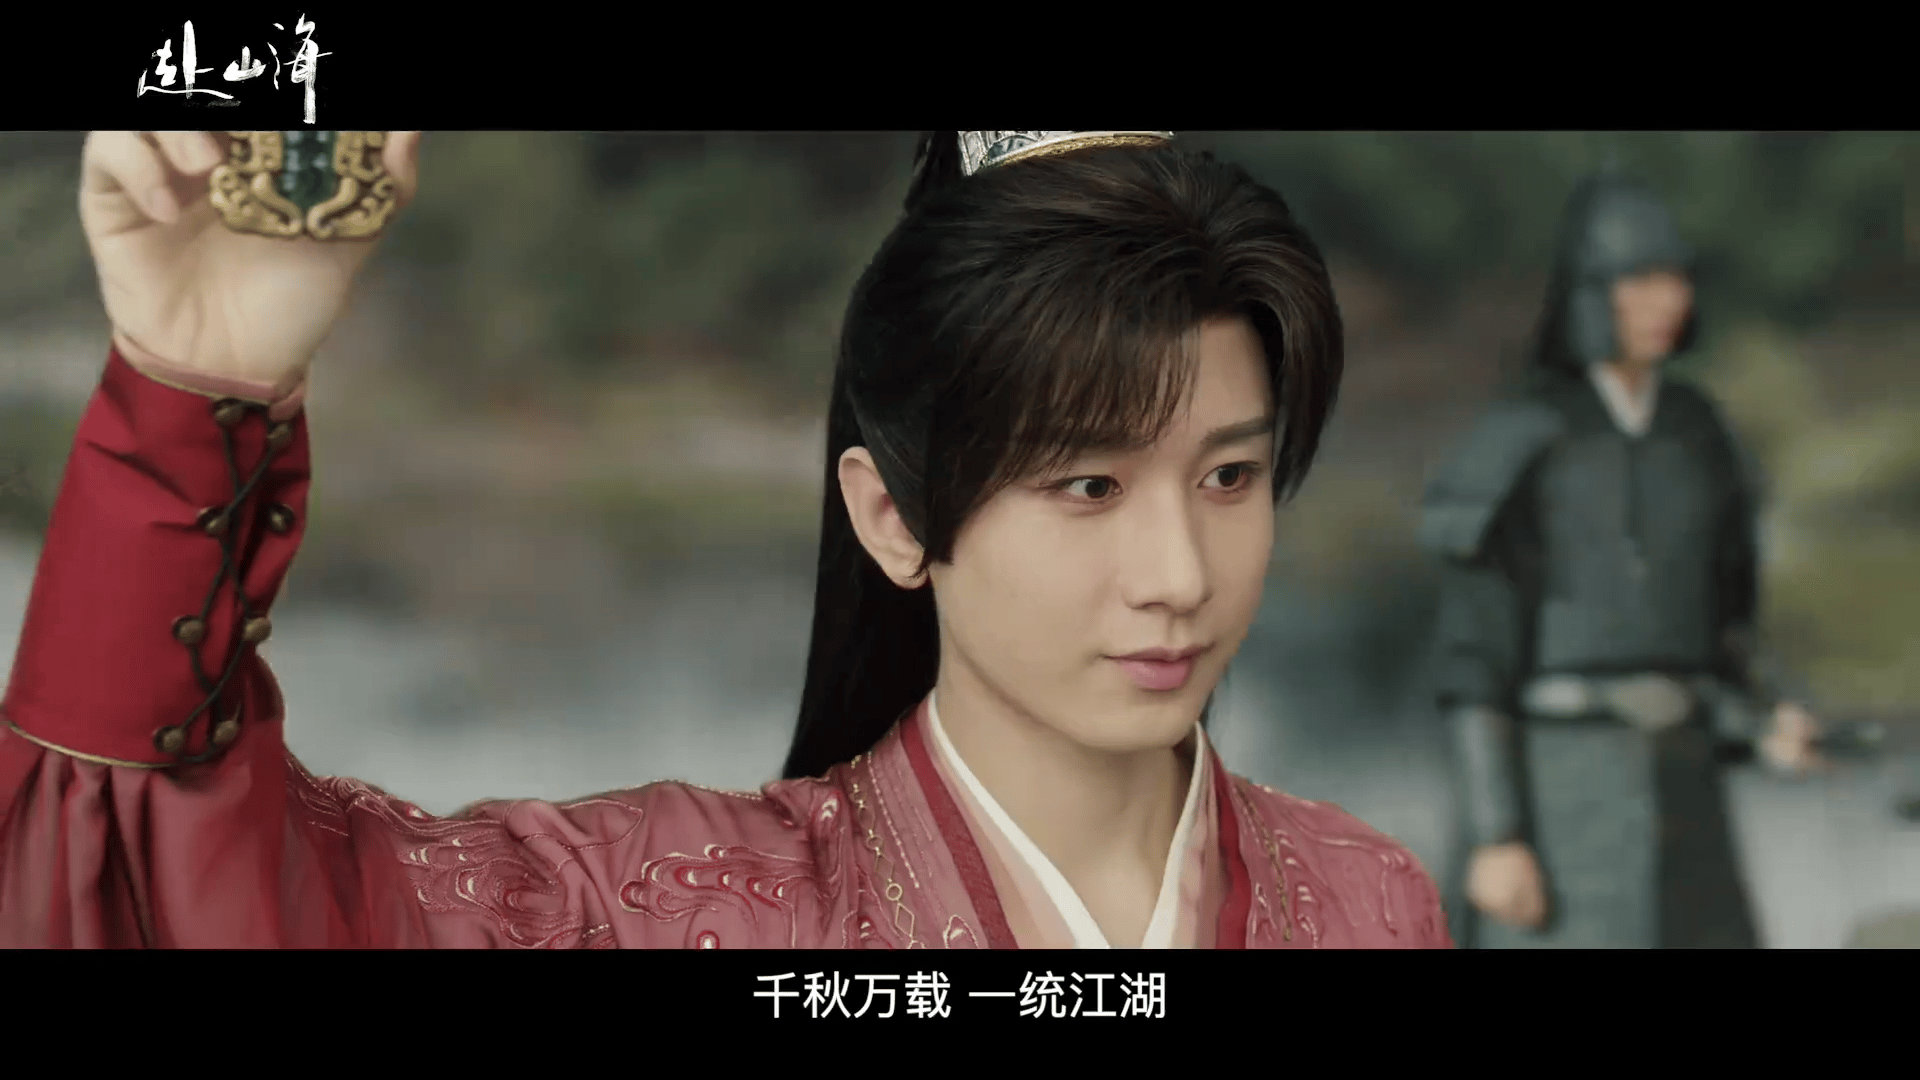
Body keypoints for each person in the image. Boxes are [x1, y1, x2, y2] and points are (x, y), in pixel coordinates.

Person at [0, 130, 1451, 949]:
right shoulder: (660, 907)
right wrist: (195, 391)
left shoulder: (1369, 902)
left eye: (1229, 476)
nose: (1180, 577)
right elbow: (185, 889)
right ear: (893, 517)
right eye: (1087, 486)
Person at [1420, 170, 1826, 949]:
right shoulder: (1523, 438)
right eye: (1638, 281)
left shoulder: (1698, 434)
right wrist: (1497, 834)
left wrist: (1765, 720)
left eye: (1675, 279)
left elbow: (1724, 631)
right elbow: (1473, 660)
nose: (1665, 300)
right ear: (1589, 292)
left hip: (1686, 793)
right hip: (1562, 796)